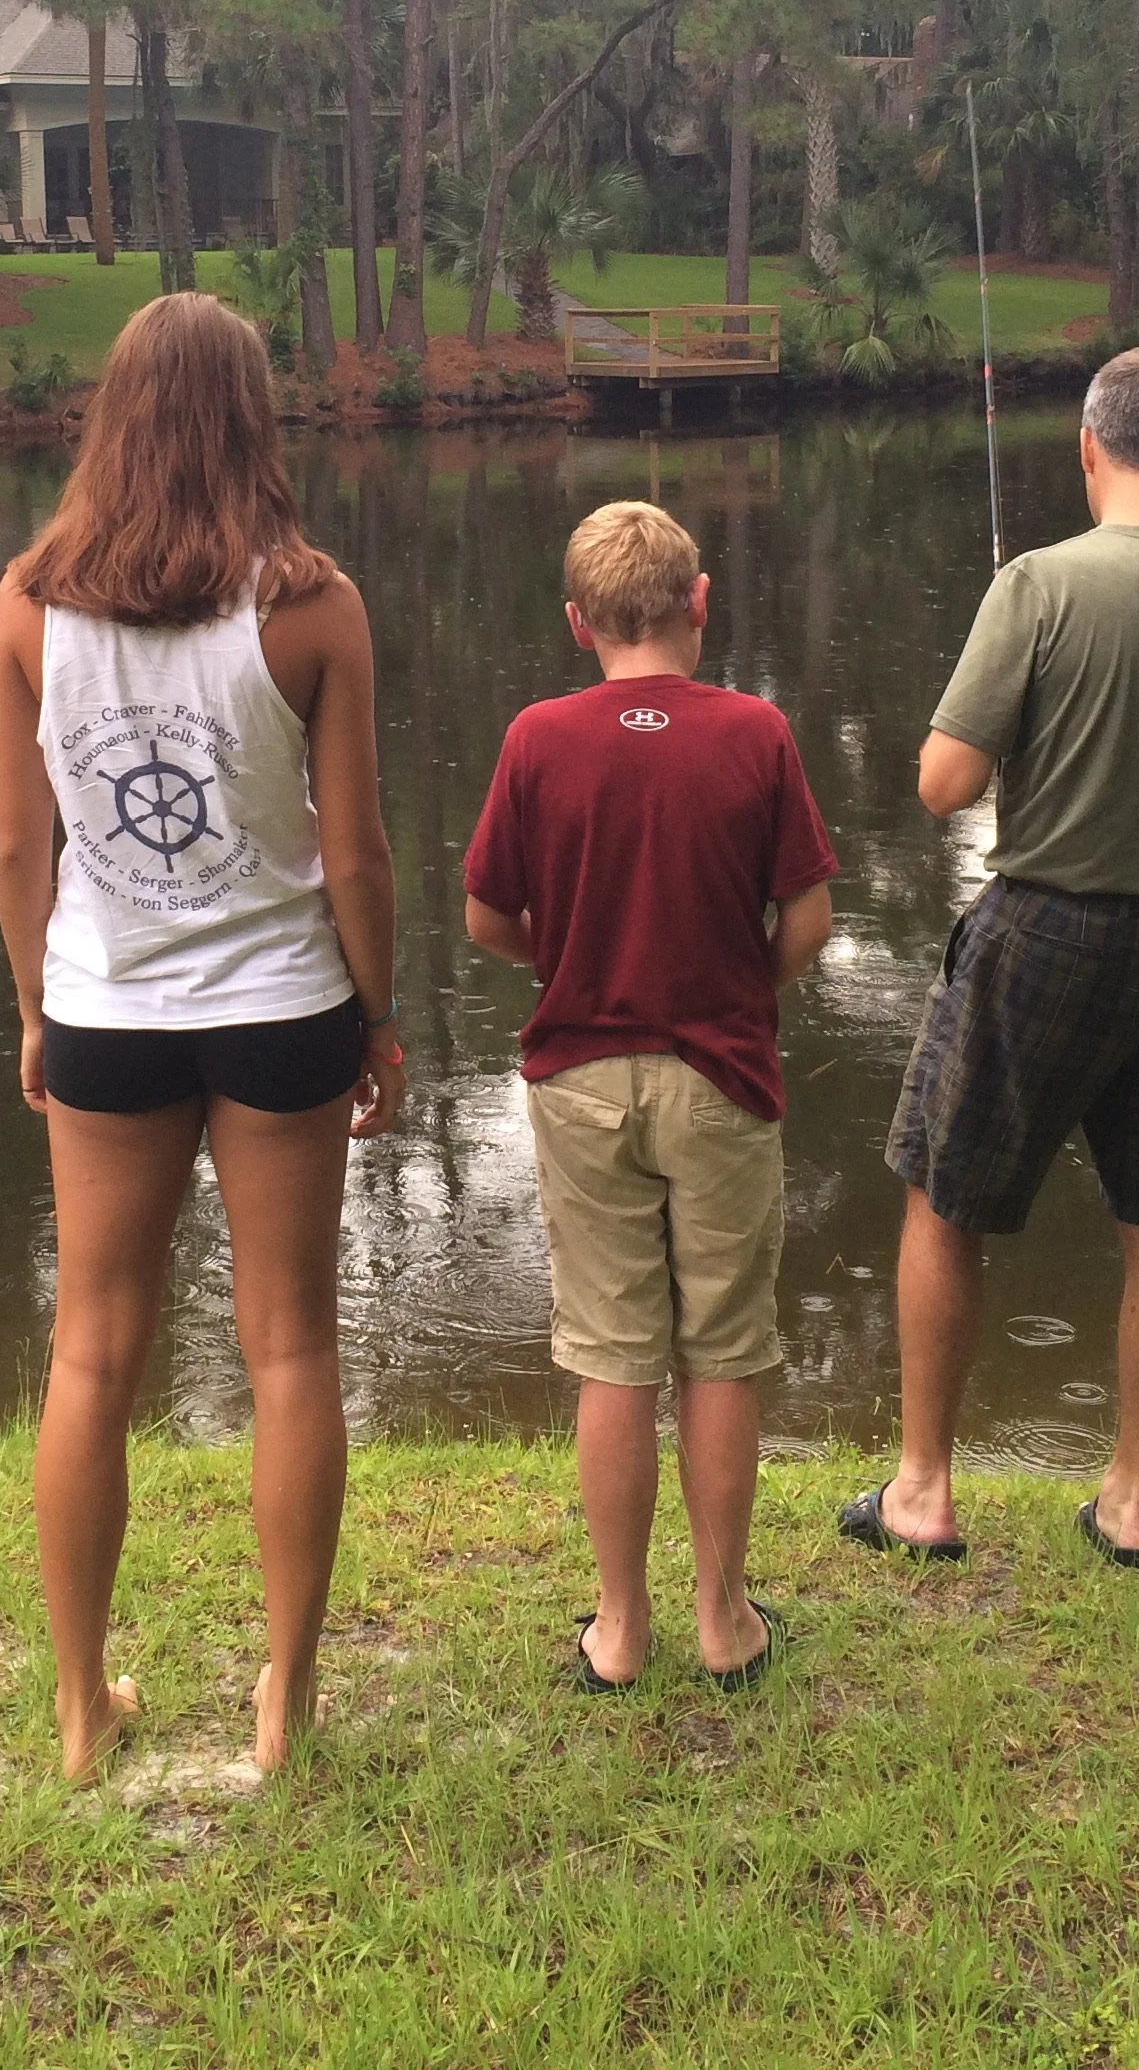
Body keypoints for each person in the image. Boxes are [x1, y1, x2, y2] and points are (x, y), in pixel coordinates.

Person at [0, 292, 404, 1781]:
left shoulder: (30, 600)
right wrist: (383, 1014)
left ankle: (83, 1705)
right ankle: (284, 1703)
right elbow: (354, 855)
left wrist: (37, 1008)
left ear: (114, 417)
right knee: (290, 1346)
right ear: (252, 419)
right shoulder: (312, 604)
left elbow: (19, 852)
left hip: (106, 1010)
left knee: (91, 1354)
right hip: (286, 1007)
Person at [844, 345, 1139, 1573]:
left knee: (945, 1197)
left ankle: (922, 1492)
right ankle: (1130, 1501)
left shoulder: (1038, 583)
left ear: (1089, 448)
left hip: (1050, 932)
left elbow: (944, 785)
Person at [463, 501, 836, 1692]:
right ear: (702, 600)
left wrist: (571, 957)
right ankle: (723, 1618)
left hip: (578, 1079)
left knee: (614, 1355)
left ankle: (620, 1631)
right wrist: (736, 981)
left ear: (579, 624)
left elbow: (485, 918)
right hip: (721, 1075)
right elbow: (811, 922)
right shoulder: (757, 735)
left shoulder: (536, 739)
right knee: (722, 1350)